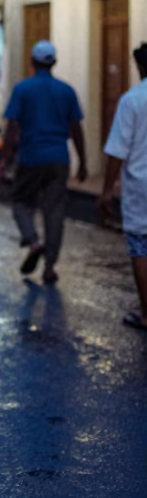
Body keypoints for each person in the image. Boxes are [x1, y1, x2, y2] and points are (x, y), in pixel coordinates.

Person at [0, 40, 86, 285]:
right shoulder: (66, 90)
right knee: (54, 211)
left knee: (20, 201)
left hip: (31, 157)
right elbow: (76, 128)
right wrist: (83, 162)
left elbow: (12, 127)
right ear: (54, 62)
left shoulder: (22, 89)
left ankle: (33, 241)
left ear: (32, 61)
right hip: (59, 157)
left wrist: (3, 160)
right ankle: (49, 267)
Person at [99, 43, 147, 329]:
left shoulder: (133, 100)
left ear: (139, 66)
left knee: (141, 248)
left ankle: (146, 312)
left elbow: (117, 150)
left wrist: (106, 190)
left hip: (141, 187)